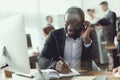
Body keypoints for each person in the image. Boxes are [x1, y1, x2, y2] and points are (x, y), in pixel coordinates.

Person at [38, 7, 99, 73]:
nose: (69, 28)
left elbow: (99, 61)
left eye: (74, 24)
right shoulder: (54, 35)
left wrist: (87, 41)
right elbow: (41, 59)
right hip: (63, 77)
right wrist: (55, 65)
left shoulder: (90, 34)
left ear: (83, 24)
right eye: (67, 23)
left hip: (84, 76)